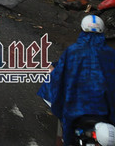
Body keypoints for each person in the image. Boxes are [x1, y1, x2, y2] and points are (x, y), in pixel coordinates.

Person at [38, 15, 115, 144]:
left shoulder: (73, 52)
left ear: (82, 31)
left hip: (75, 110)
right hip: (105, 112)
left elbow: (58, 78)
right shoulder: (111, 55)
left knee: (65, 129)